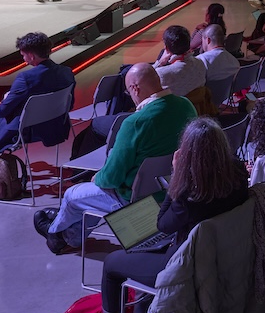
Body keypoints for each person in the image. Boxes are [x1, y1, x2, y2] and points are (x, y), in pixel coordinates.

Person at [87, 116, 249, 313]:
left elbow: (163, 224)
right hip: (222, 252)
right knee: (144, 249)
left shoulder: (190, 192)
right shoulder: (237, 173)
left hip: (185, 264)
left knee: (112, 263)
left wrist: (177, 176)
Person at [37, 63, 197, 253]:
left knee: (73, 195)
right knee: (91, 196)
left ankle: (56, 233)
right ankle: (68, 233)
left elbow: (112, 178)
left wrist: (98, 177)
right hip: (173, 189)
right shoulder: (186, 106)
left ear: (135, 88)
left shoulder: (135, 122)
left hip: (135, 199)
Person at [0, 31, 75, 186]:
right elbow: (69, 104)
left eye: (23, 55)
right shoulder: (66, 72)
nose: (23, 59)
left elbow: (2, 111)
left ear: (31, 56)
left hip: (29, 131)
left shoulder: (25, 78)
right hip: (56, 127)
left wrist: (8, 98)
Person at [153, 24, 206, 97]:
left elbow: (144, 79)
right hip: (196, 107)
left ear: (166, 48)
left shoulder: (162, 73)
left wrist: (159, 63)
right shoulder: (200, 63)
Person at [195, 23, 240, 101]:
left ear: (208, 40)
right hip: (224, 98)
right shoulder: (235, 62)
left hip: (205, 102)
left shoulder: (201, 60)